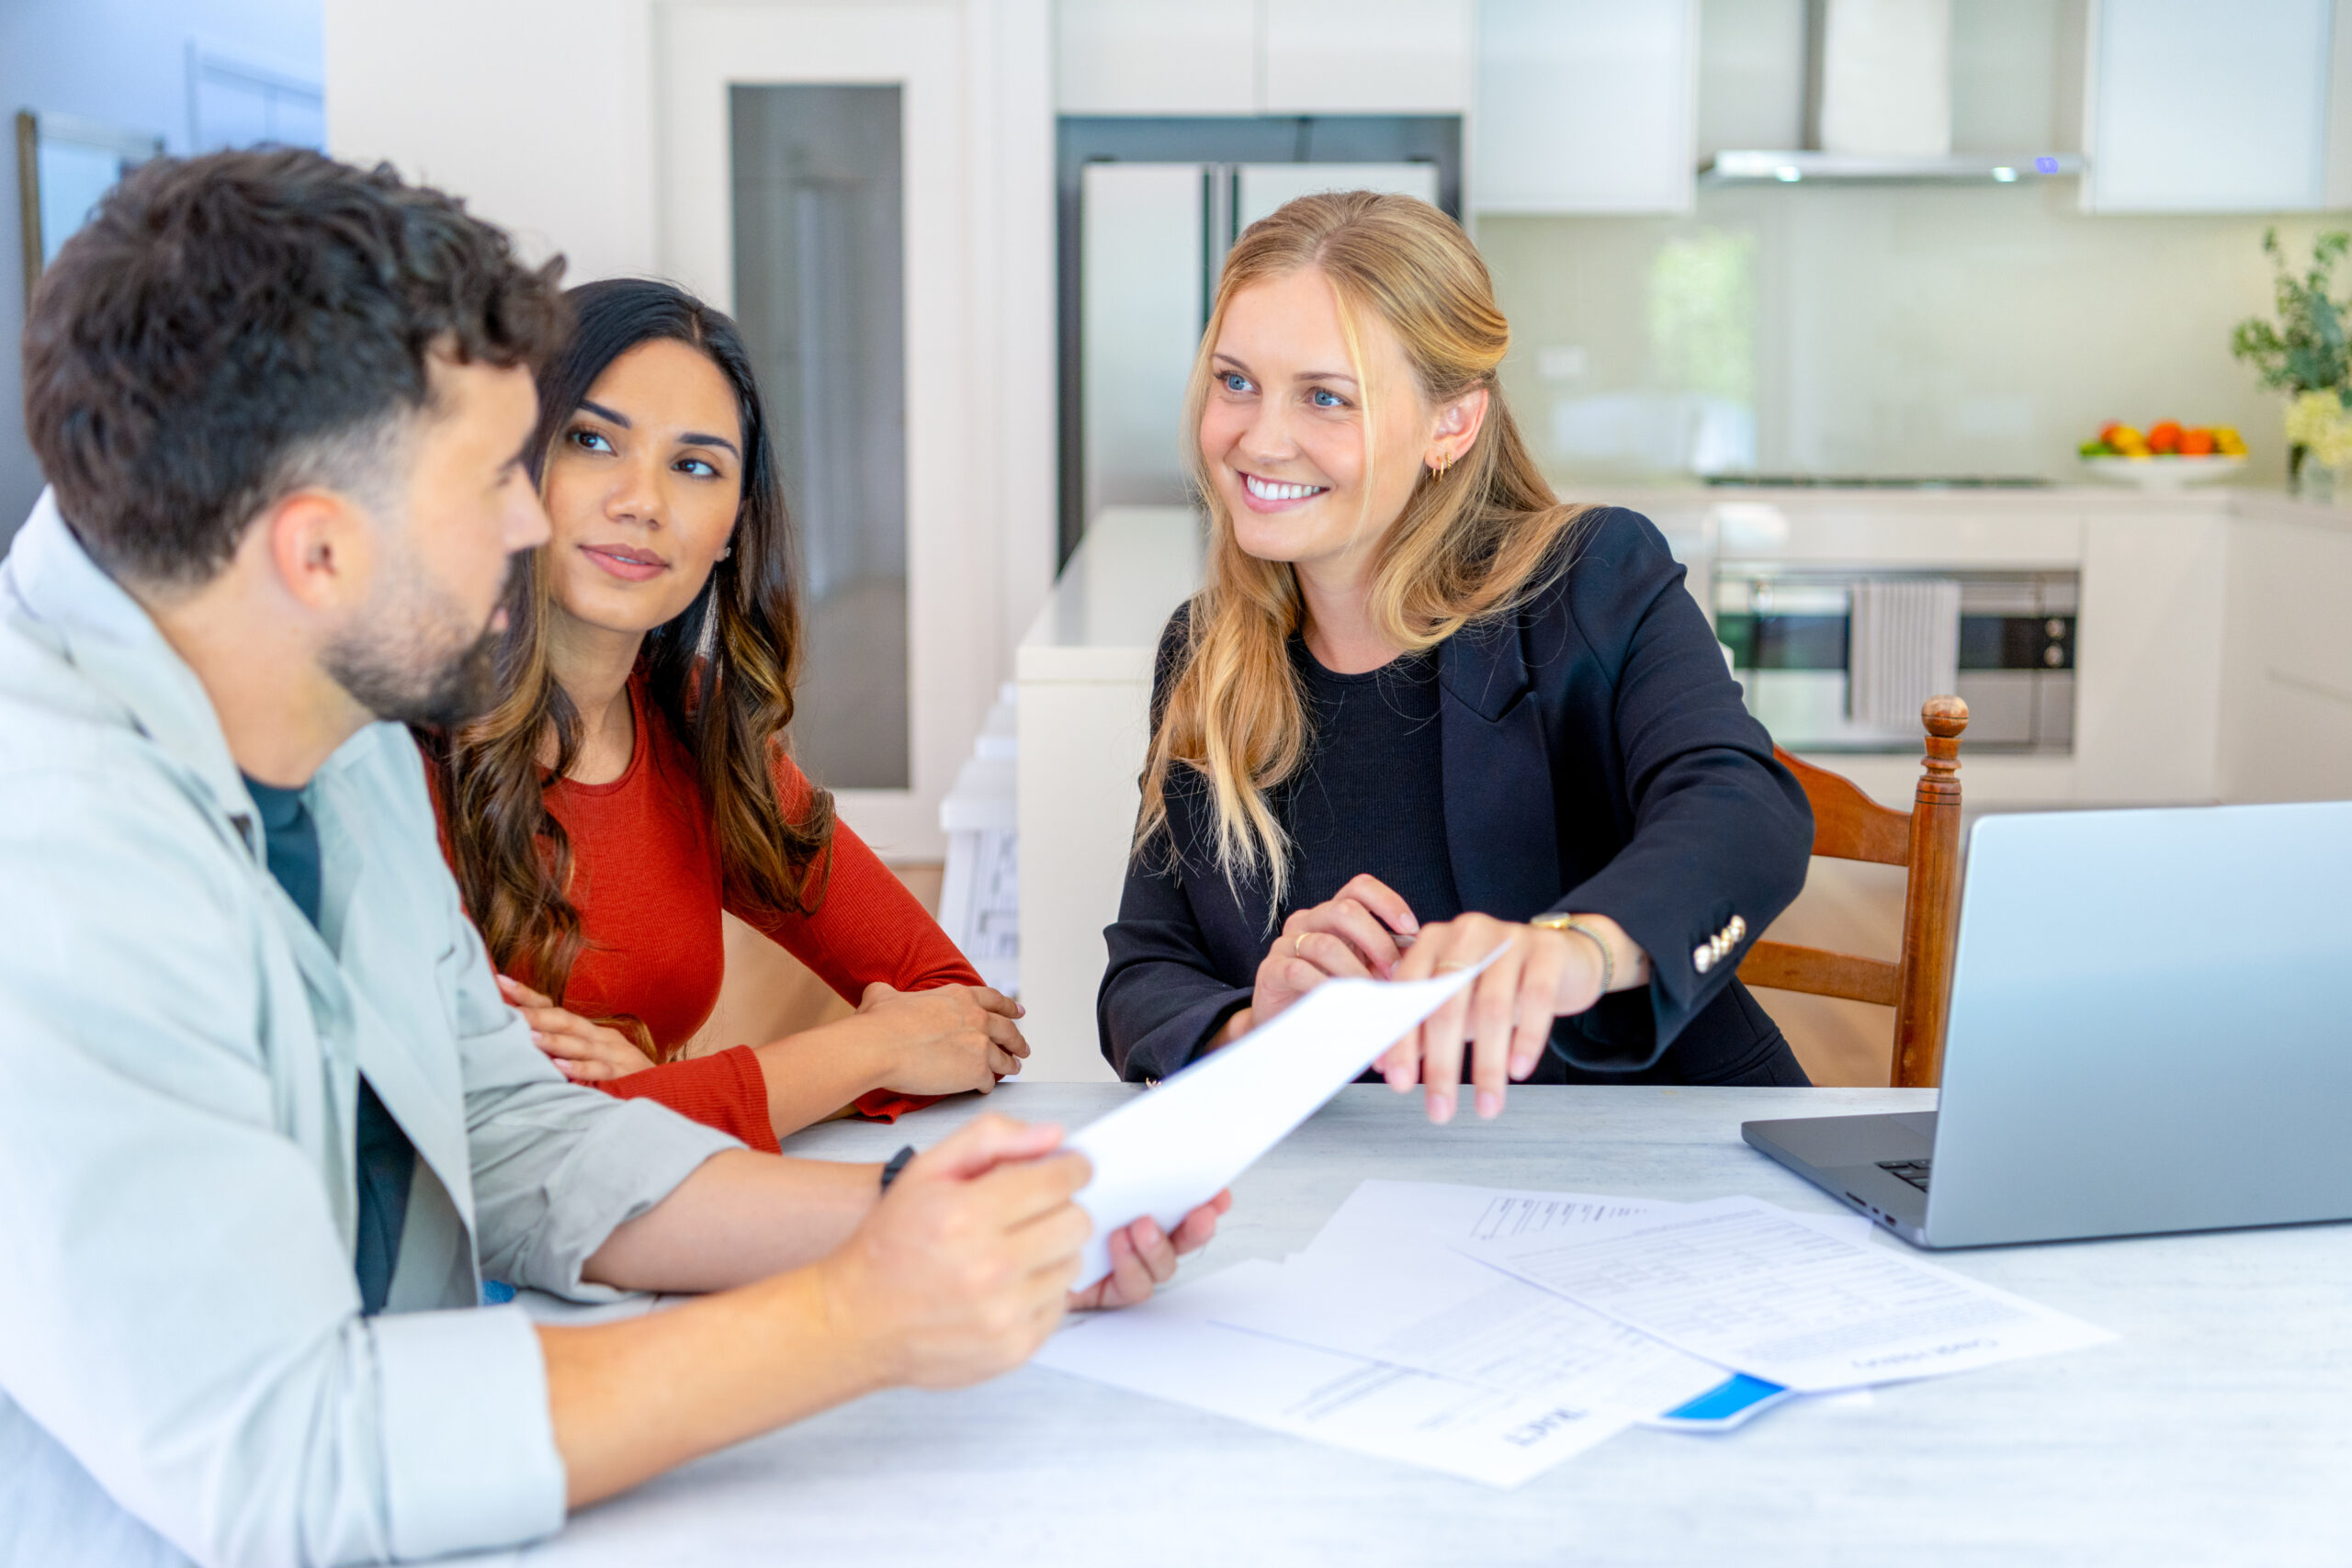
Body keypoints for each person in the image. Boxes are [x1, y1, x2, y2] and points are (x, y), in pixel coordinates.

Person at [0, 149, 1221, 1568]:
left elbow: (521, 1133)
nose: (536, 521)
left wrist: (951, 1225)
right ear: (317, 548)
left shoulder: (312, 692)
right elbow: (292, 1452)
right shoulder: (56, 864)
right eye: (492, 480)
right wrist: (854, 1320)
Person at [1099, 191, 1815, 1121]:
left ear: (1452, 424)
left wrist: (1570, 950)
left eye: (1325, 397)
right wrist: (1256, 1027)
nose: (1257, 438)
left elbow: (1742, 807)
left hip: (1659, 1168)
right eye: (1236, 381)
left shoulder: (1587, 580)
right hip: (1374, 1203)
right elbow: (1145, 972)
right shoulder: (1207, 653)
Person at [423, 277, 1017, 1151]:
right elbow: (504, 1141)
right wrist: (855, 1051)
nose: (643, 501)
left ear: (734, 525)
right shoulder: (407, 746)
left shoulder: (692, 723)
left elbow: (961, 1014)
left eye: (695, 465)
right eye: (592, 441)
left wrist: (660, 1099)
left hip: (660, 1244)